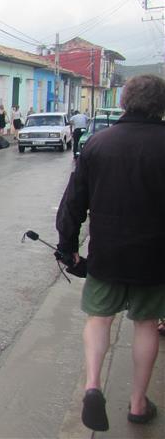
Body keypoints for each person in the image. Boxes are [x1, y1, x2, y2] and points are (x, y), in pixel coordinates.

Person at [55, 74, 165, 432]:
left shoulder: (97, 144)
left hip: (106, 255)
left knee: (98, 320)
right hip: (154, 259)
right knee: (147, 325)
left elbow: (73, 203)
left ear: (123, 102)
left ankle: (92, 386)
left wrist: (68, 247)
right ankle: (137, 404)